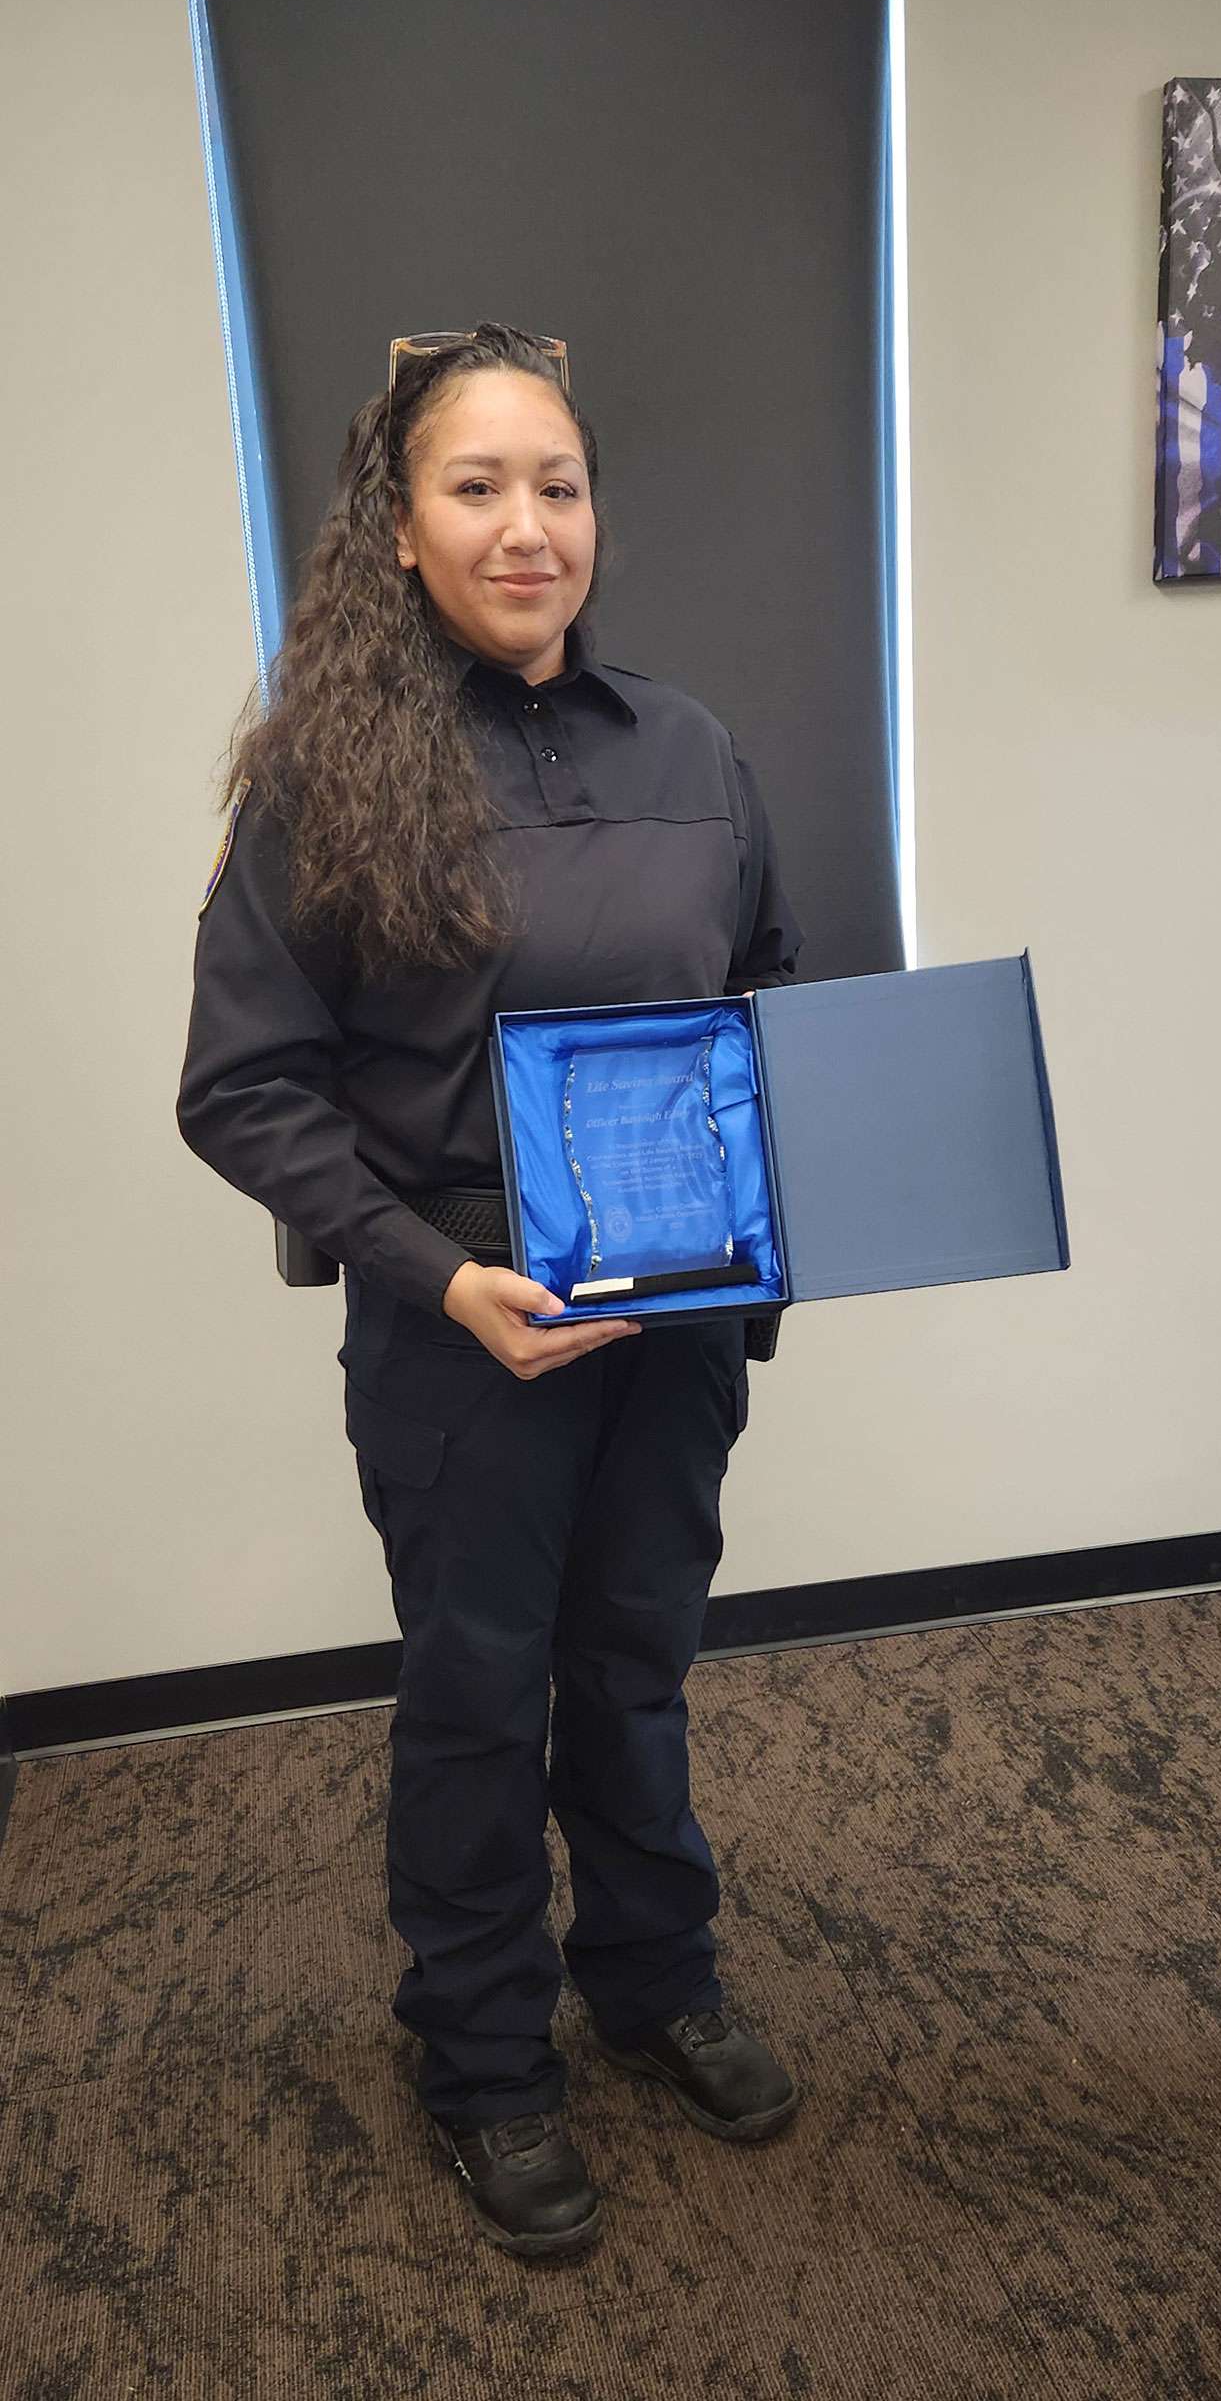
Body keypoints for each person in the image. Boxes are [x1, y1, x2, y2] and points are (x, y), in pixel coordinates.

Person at [176, 323, 805, 2264]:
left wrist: (785, 1219)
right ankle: (481, 2058)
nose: (528, 525)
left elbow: (767, 996)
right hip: (463, 1323)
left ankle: (653, 1977)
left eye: (559, 484)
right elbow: (242, 1088)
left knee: (632, 1662)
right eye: (477, 487)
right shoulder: (327, 781)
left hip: (673, 1321)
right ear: (400, 526)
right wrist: (438, 1279)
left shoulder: (690, 749)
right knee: (474, 1695)